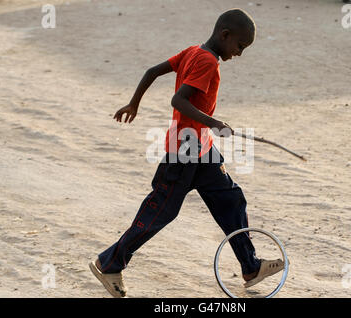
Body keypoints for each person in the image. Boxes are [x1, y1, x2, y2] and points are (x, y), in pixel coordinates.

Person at [89, 8, 284, 298]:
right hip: (184, 151)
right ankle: (110, 263)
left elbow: (152, 71)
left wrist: (134, 103)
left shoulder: (193, 51)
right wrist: (214, 122)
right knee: (159, 213)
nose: (240, 53)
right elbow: (178, 100)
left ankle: (250, 266)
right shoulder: (206, 61)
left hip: (202, 149)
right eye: (240, 46)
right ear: (225, 35)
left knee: (231, 200)